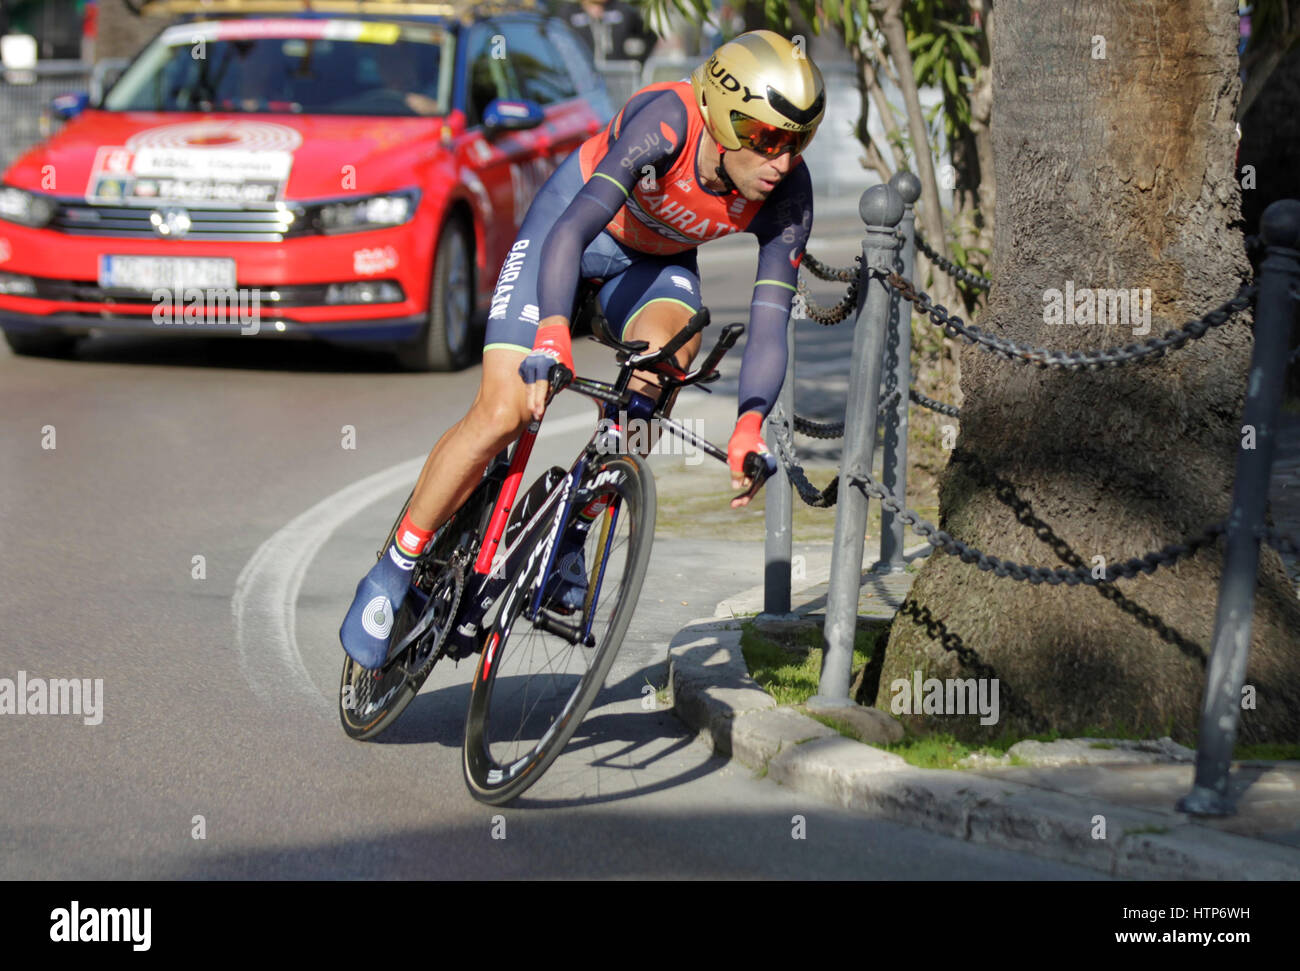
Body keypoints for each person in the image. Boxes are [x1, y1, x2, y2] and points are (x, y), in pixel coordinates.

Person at [340, 30, 824, 668]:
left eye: (798, 142)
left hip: (649, 269)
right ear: (717, 112)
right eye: (765, 137)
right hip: (567, 237)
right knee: (505, 411)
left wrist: (750, 424)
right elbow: (570, 230)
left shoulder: (788, 196)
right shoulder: (666, 125)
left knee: (668, 358)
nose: (781, 161)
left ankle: (574, 524)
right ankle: (396, 569)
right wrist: (550, 333)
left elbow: (768, 319)